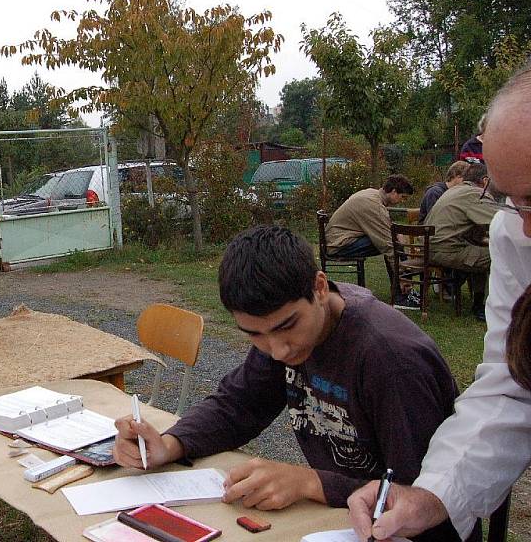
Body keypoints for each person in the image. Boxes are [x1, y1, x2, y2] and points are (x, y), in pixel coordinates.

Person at [113, 225, 470, 542]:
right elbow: (239, 405)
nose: (277, 350)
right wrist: (170, 444)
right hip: (337, 520)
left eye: (286, 327)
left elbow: (420, 498)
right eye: (255, 335)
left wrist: (311, 482)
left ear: (318, 286)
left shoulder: (391, 360)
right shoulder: (286, 338)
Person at [347, 59, 531, 542]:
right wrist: (435, 495)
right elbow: (511, 388)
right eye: (512, 200)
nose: (525, 227)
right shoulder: (514, 232)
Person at [324, 174, 418, 308]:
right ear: (393, 192)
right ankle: (401, 295)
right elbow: (388, 244)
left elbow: (386, 229)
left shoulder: (371, 194)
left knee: (391, 241)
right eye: (402, 197)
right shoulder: (374, 206)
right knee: (392, 245)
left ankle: (403, 291)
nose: (402, 201)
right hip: (339, 245)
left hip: (339, 239)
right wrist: (402, 276)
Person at [424, 163, 498, 321]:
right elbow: (500, 221)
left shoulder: (455, 190)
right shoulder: (476, 193)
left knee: (482, 253)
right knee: (499, 256)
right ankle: (486, 307)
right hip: (447, 250)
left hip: (430, 247)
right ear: (485, 180)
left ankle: (479, 302)